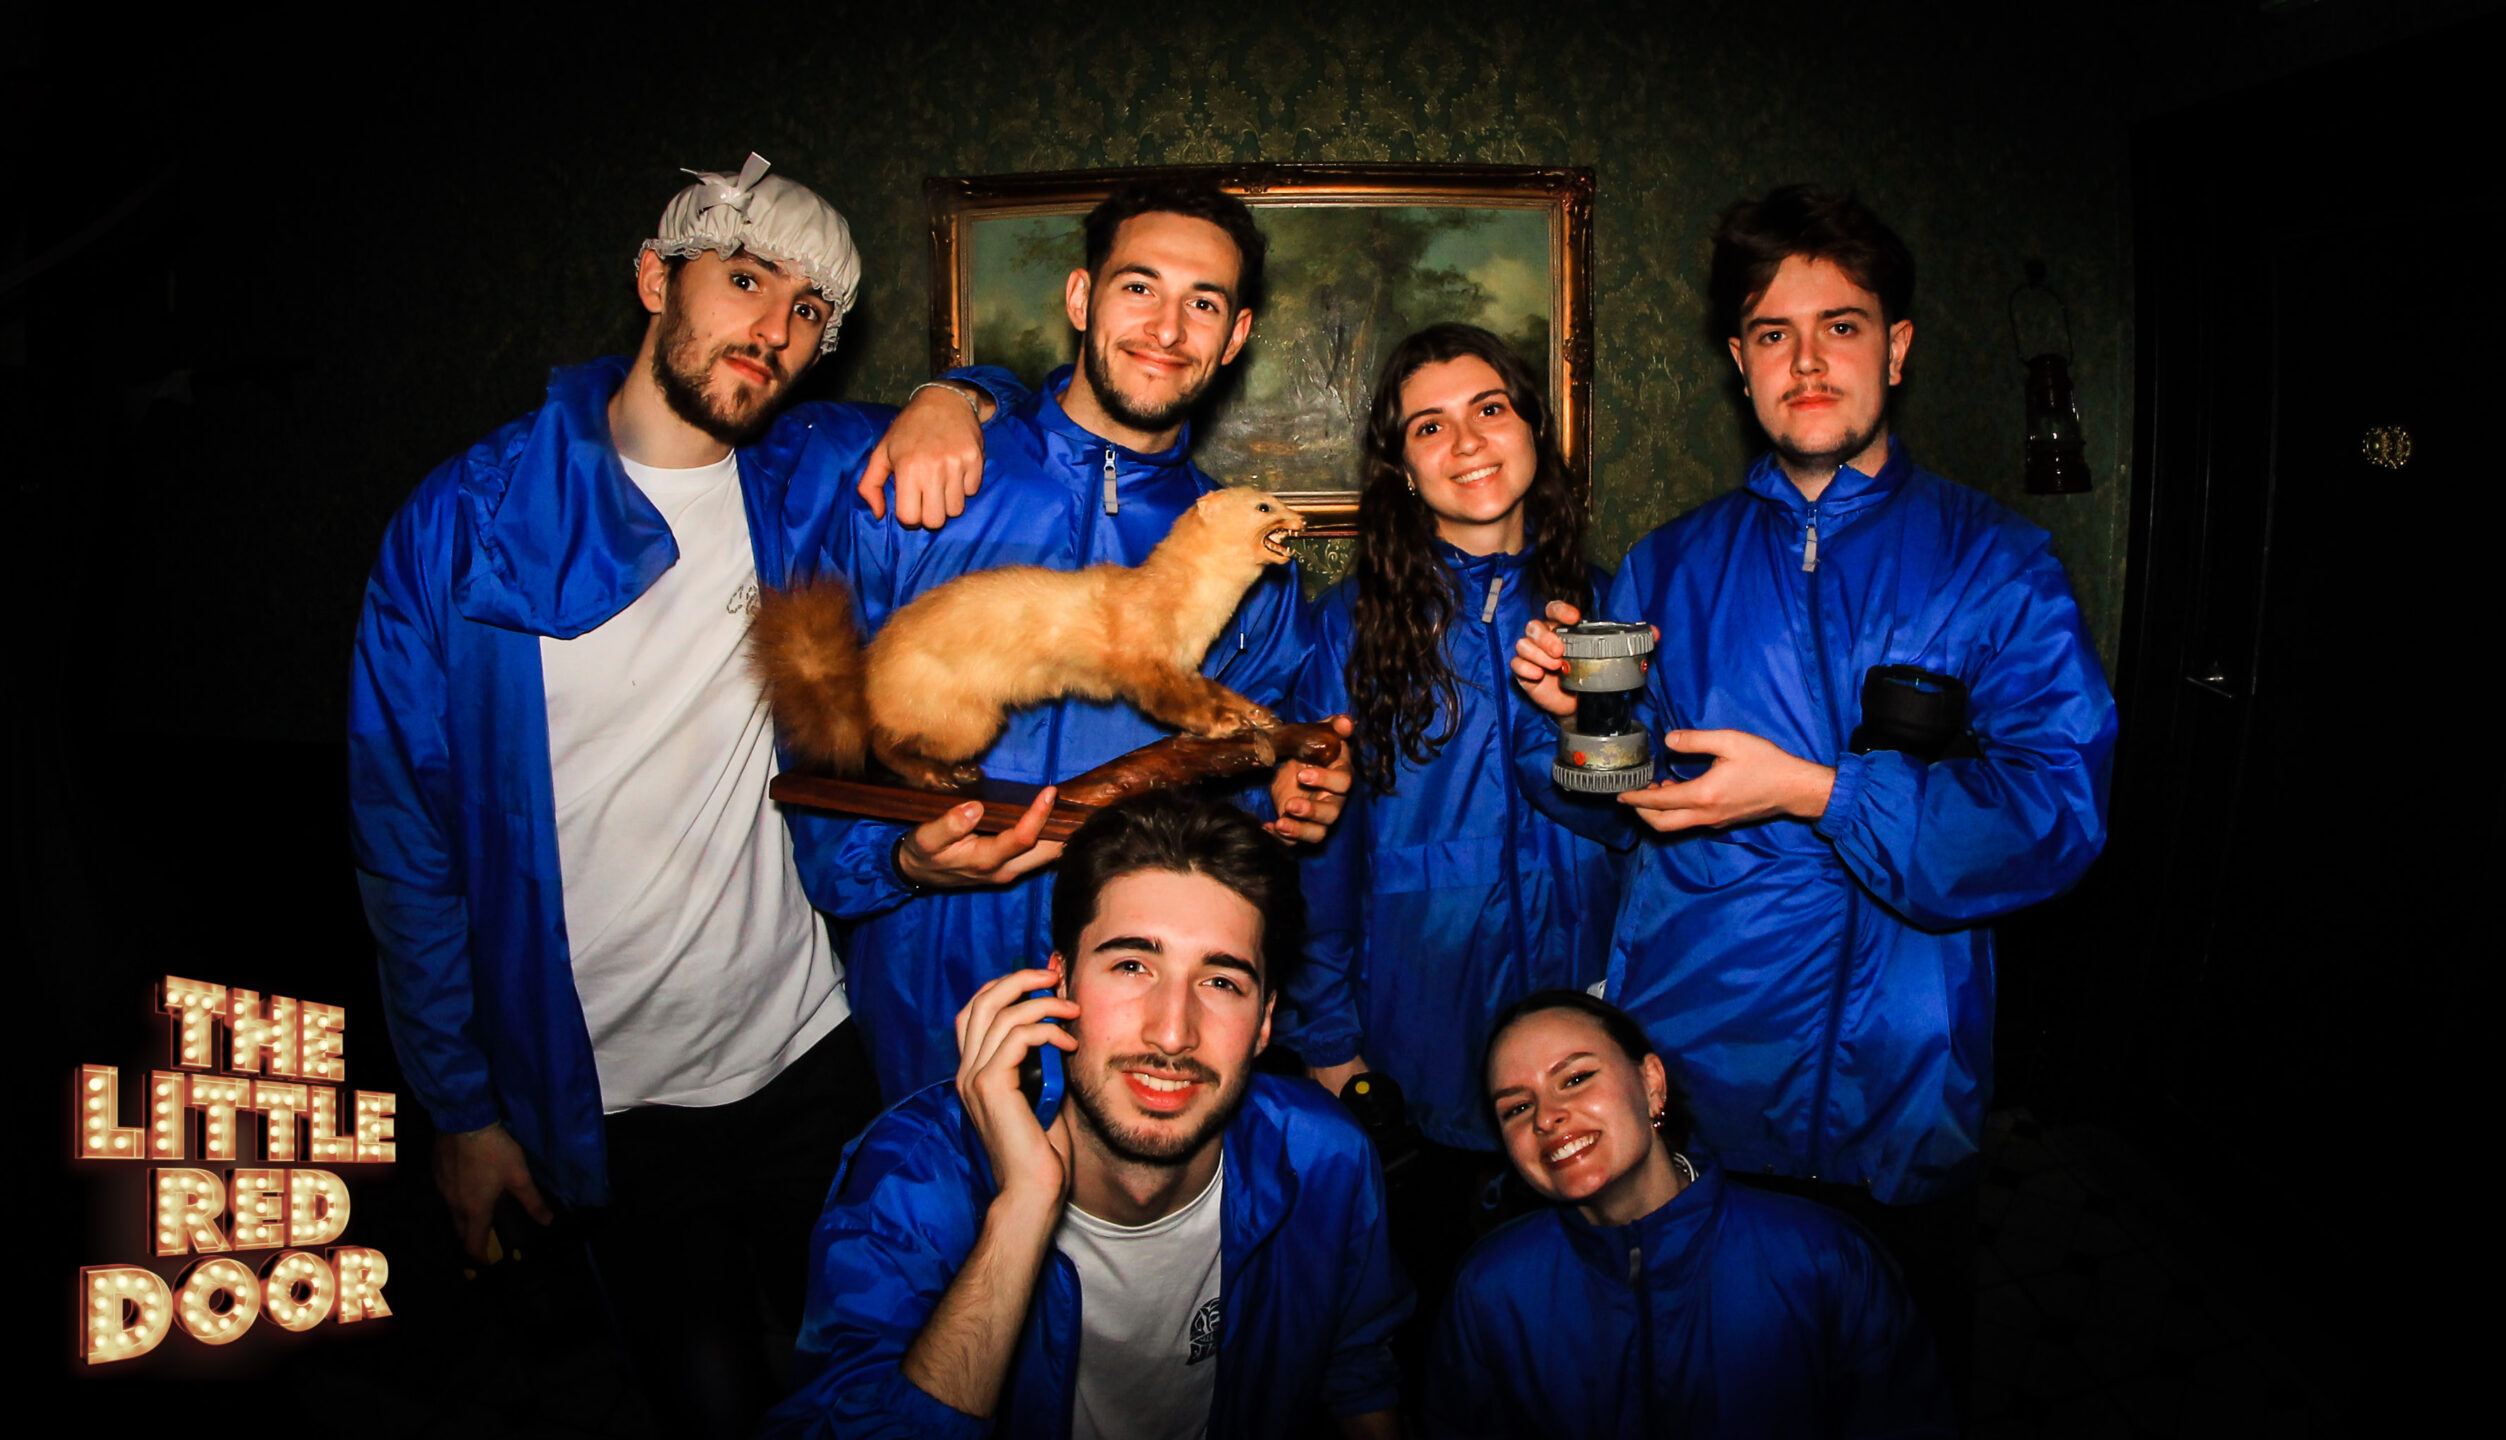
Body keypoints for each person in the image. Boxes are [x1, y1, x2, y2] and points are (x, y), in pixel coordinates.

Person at [348, 154, 1023, 1435]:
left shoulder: (804, 473)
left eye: (810, 311)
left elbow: (1027, 414)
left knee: (892, 1385)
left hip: (809, 1048)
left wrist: (956, 393)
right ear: (657, 279)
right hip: (608, 1097)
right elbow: (405, 844)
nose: (775, 329)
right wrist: (463, 1110)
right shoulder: (467, 524)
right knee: (702, 1401)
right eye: (747, 281)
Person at [1510, 185, 2117, 1376]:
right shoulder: (1668, 564)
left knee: (1885, 1381)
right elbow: (1624, 806)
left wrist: (1819, 791)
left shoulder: (1996, 565)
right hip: (1699, 1072)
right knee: (1698, 1381)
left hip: (1896, 1082)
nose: (1805, 362)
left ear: (1895, 346)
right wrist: (1582, 731)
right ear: (1738, 363)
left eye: (1840, 326)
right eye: (1770, 333)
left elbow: (2058, 813)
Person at [804, 176, 1353, 1105]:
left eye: (1203, 303)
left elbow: (1243, 771)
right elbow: (818, 733)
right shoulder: (926, 477)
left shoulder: (1244, 555)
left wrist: (1288, 787)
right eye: (1140, 286)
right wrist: (893, 863)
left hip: (1146, 1011)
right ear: (1080, 298)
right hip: (934, 984)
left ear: (1235, 337)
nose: (1167, 327)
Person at [768, 790, 1410, 1438]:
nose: (1172, 1034)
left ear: (1266, 1019)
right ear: (1060, 981)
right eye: (1132, 966)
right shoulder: (912, 1184)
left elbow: (1357, 1367)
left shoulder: (1325, 1159)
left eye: (1221, 982)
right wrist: (1021, 1210)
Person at [1277, 323, 1621, 1298]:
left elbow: (1636, 825)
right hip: (1415, 1047)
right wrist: (1329, 1041)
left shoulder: (1606, 606)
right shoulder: (1347, 628)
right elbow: (1316, 856)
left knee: (1586, 1318)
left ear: (1533, 427)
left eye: (1489, 409)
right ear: (1400, 465)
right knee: (1438, 1311)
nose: (1466, 443)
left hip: (1588, 1028)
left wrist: (1575, 732)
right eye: (1429, 426)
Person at [1427, 990, 1953, 1438]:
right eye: (1517, 1108)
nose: (1546, 1118)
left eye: (1576, 1078)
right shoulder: (1489, 1291)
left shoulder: (1822, 1260)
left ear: (1651, 1084)